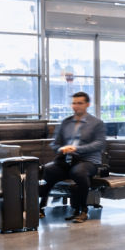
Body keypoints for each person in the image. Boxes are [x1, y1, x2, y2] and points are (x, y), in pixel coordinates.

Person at [39, 92, 106, 224]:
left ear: (88, 104)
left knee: (78, 172)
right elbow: (55, 143)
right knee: (48, 170)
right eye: (74, 103)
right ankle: (40, 207)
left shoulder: (96, 123)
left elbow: (100, 143)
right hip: (67, 160)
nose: (76, 106)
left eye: (80, 103)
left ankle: (83, 210)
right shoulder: (66, 122)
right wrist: (61, 149)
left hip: (88, 160)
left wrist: (77, 149)